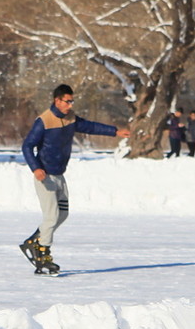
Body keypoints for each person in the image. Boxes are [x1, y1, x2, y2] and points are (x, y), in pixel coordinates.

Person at [19, 84, 130, 275]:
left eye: (72, 101)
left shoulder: (70, 118)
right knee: (51, 217)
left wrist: (115, 131)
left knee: (62, 215)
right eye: (67, 101)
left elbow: (90, 126)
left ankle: (33, 241)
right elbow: (27, 146)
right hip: (45, 176)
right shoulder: (44, 121)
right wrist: (36, 168)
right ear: (57, 100)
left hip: (59, 175)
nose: (70, 105)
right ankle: (43, 255)